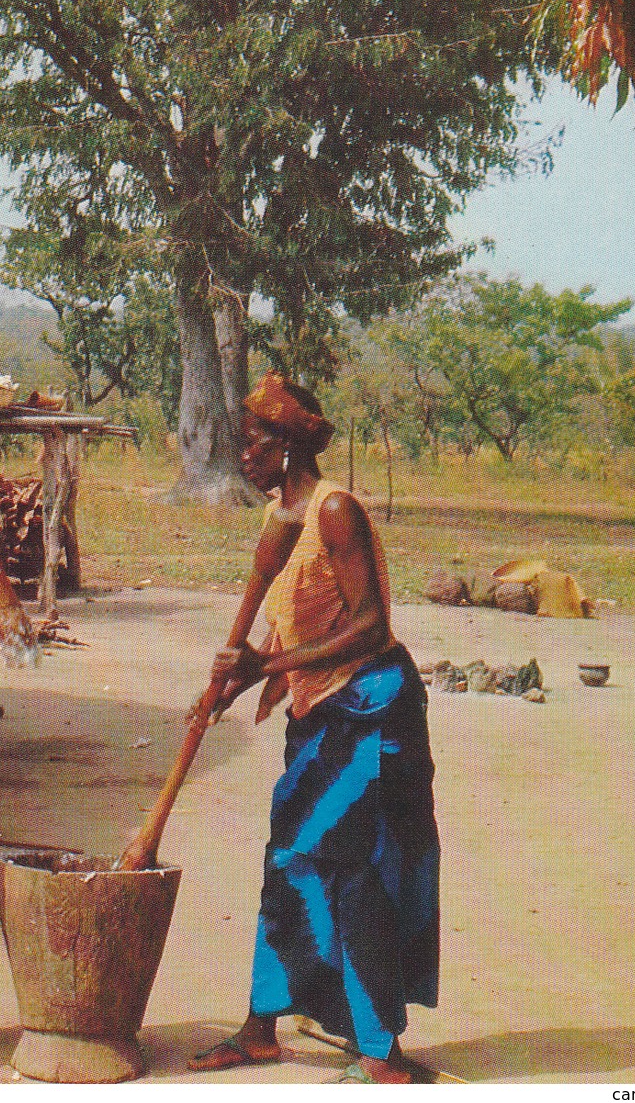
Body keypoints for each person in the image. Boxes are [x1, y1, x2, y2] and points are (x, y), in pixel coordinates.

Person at [123, 372, 438, 1084]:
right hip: (319, 711)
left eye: (252, 443)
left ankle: (381, 1052)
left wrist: (270, 664)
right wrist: (234, 685)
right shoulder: (282, 517)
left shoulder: (335, 513)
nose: (242, 455)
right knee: (287, 861)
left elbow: (369, 625)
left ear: (289, 447)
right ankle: (261, 1026)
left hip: (371, 709)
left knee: (353, 871)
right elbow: (285, 609)